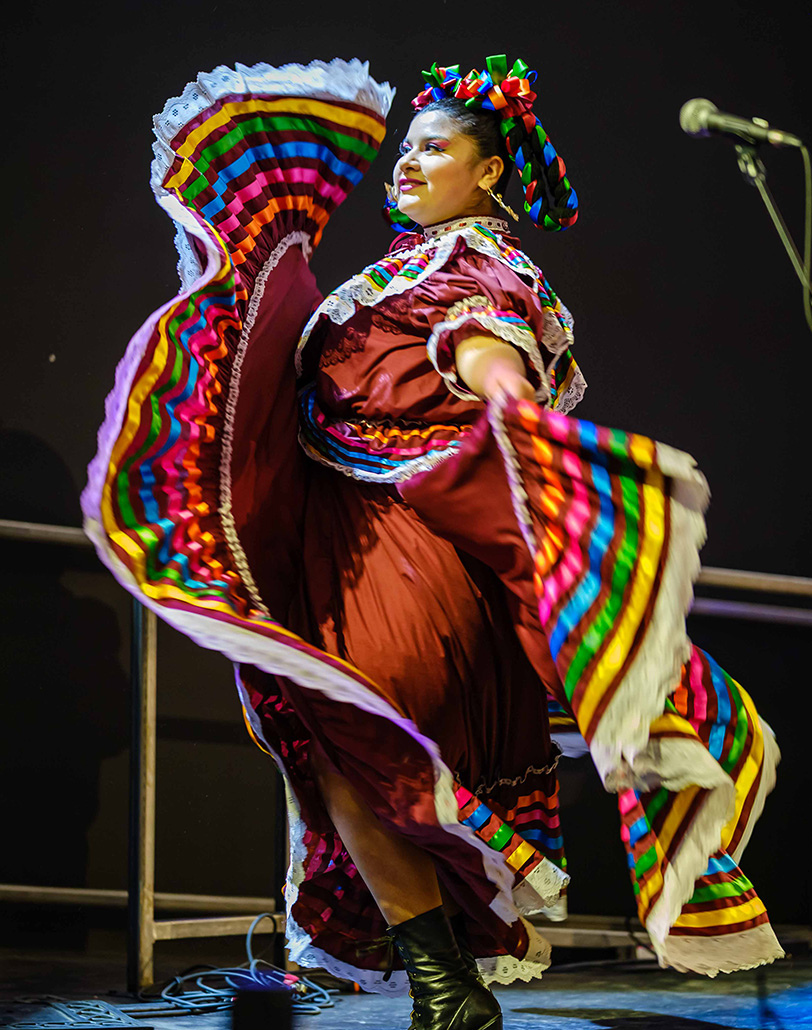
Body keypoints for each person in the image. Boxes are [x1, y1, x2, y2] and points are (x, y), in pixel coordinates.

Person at [82, 57, 783, 1030]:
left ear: (486, 172)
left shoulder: (477, 264)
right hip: (348, 553)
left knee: (352, 743)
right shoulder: (397, 270)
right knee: (341, 757)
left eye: (432, 148)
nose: (405, 165)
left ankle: (445, 984)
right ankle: (442, 988)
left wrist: (507, 400)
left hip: (402, 555)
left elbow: (481, 342)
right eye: (404, 148)